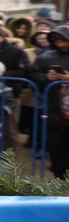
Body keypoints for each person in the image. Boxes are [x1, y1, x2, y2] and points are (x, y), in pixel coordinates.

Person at [33, 25, 69, 178]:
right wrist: (47, 78)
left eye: (64, 41)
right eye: (58, 42)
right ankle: (60, 181)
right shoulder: (45, 57)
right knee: (57, 148)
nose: (61, 45)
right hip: (56, 111)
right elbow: (33, 76)